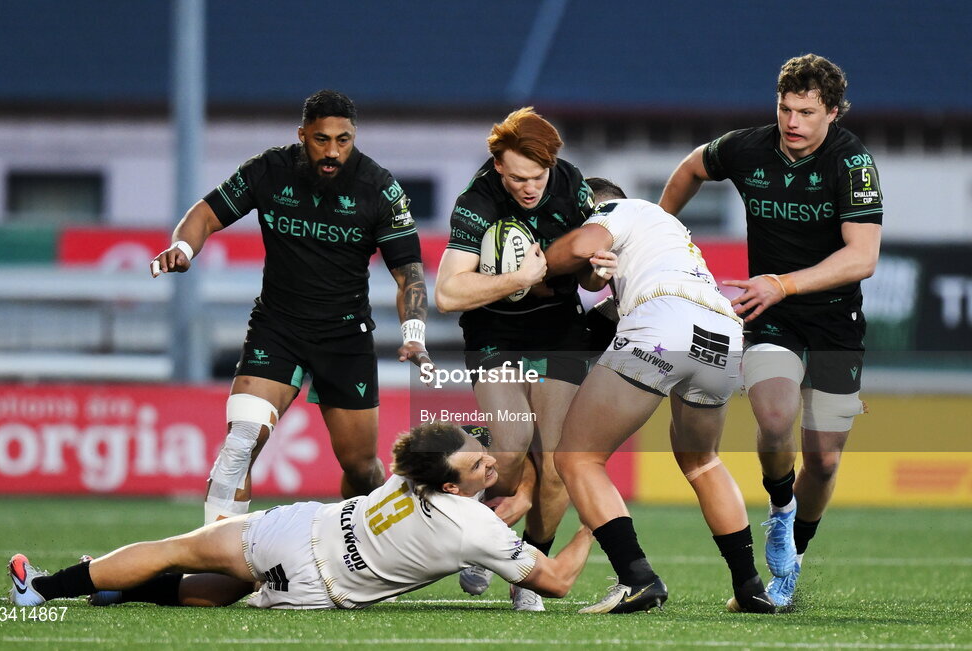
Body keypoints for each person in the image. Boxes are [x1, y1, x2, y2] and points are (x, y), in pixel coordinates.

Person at [658, 54, 883, 607]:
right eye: (785, 108)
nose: (793, 121)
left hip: (834, 322)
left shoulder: (852, 163)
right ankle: (781, 512)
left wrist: (782, 282)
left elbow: (863, 257)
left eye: (806, 111)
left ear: (832, 113)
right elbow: (690, 168)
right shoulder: (747, 147)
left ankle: (795, 553)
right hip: (771, 317)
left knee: (825, 459)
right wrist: (658, 234)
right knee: (775, 416)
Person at [150, 90, 432, 522]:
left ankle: (394, 533)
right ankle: (217, 563)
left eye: (344, 140)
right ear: (302, 135)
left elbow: (408, 273)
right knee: (240, 442)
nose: (333, 152)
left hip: (344, 336)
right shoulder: (269, 170)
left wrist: (414, 334)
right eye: (322, 140)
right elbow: (206, 214)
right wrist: (184, 247)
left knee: (359, 467)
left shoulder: (379, 188)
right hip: (276, 328)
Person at [7, 423, 594, 611]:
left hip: (300, 528)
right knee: (224, 590)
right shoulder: (476, 528)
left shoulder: (408, 472)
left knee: (176, 549)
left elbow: (497, 502)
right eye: (479, 461)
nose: (490, 461)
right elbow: (560, 581)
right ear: (447, 484)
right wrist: (594, 519)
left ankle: (44, 589)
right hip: (322, 586)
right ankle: (112, 591)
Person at [548, 178, 775, 614]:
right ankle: (749, 586)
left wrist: (538, 264)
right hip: (724, 334)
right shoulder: (669, 234)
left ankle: (636, 578)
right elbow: (614, 311)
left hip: (665, 324)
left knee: (577, 457)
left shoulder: (618, 210)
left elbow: (583, 244)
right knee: (702, 460)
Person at [434, 107, 594, 610]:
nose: (529, 188)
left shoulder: (573, 187)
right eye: (517, 177)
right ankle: (481, 526)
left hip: (559, 328)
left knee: (554, 463)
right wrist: (516, 280)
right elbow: (447, 293)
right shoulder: (476, 200)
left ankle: (527, 571)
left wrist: (599, 274)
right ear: (498, 167)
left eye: (538, 177)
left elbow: (589, 276)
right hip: (496, 330)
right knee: (508, 448)